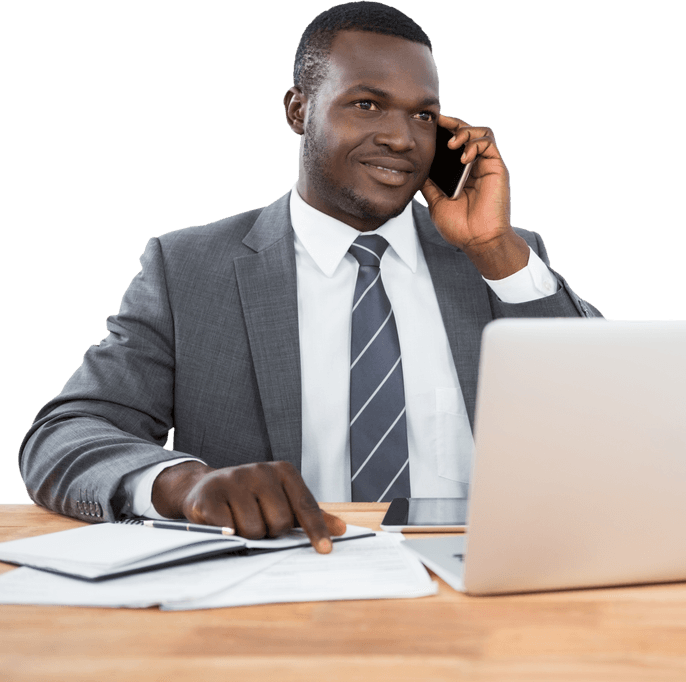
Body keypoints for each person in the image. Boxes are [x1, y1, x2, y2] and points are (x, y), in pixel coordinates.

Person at [18, 2, 599, 553]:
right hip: (287, 584)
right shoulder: (190, 269)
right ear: (298, 110)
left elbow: (606, 417)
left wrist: (497, 250)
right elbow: (65, 434)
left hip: (486, 585)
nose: (401, 137)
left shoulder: (500, 261)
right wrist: (183, 485)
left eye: (422, 114)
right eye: (367, 104)